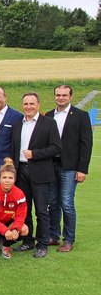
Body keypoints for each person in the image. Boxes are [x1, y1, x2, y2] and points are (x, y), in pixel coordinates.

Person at [11, 92, 61, 258]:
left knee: (41, 210)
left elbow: (56, 148)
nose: (28, 107)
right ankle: (28, 240)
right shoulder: (18, 124)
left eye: (32, 104)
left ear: (38, 104)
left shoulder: (48, 123)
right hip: (21, 172)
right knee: (24, 210)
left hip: (40, 172)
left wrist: (35, 154)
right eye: (25, 104)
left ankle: (43, 243)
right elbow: (14, 148)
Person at [46, 85, 93, 252]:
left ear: (70, 96)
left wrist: (82, 169)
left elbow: (86, 144)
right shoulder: (49, 115)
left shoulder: (81, 116)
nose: (61, 98)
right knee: (53, 203)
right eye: (58, 95)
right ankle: (53, 235)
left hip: (70, 167)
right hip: (51, 165)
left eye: (64, 95)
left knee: (66, 203)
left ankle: (68, 239)